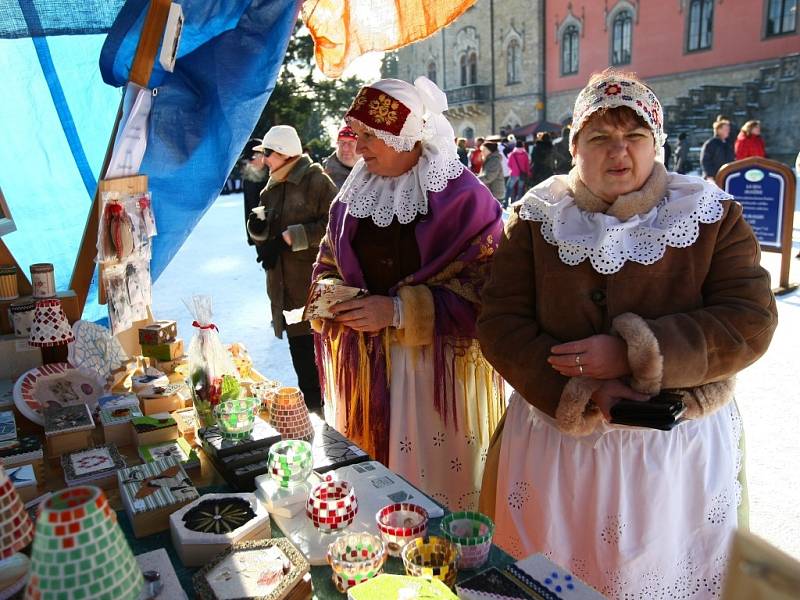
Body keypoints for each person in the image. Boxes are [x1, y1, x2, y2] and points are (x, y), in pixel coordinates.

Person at [477, 69, 777, 597]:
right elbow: (500, 325)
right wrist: (581, 387)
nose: (619, 151)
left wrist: (634, 353)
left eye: (635, 136)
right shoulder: (535, 220)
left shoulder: (709, 215)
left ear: (655, 144)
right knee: (555, 572)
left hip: (675, 454)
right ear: (576, 147)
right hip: (557, 444)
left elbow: (749, 320)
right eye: (600, 137)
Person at [312, 77, 505, 511]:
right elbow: (326, 261)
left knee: (432, 489)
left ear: (403, 135)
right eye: (356, 135)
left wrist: (401, 311)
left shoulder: (463, 198)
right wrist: (331, 296)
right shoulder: (351, 195)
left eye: (369, 136)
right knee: (373, 488)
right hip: (367, 366)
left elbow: (492, 293)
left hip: (434, 376)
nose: (358, 148)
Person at [246, 125, 338, 413]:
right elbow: (265, 231)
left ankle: (333, 418)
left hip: (312, 289)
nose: (264, 160)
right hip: (284, 291)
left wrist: (293, 236)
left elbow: (337, 226)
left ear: (284, 153)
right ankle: (316, 415)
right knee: (301, 361)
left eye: (268, 153)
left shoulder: (317, 182)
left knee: (322, 363)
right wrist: (259, 232)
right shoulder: (271, 186)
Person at [241, 138, 269, 261]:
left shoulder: (275, 174)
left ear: (262, 154)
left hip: (280, 236)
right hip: (260, 233)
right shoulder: (249, 177)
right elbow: (250, 207)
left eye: (252, 158)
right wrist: (253, 236)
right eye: (247, 159)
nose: (250, 163)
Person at [323, 125, 361, 189]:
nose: (345, 148)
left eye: (351, 143)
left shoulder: (375, 175)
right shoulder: (324, 177)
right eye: (342, 142)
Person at [478, 140, 506, 205]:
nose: (482, 153)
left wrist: (474, 179)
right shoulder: (490, 159)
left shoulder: (494, 160)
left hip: (495, 194)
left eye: (483, 150)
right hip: (492, 193)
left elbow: (488, 177)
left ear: (489, 150)